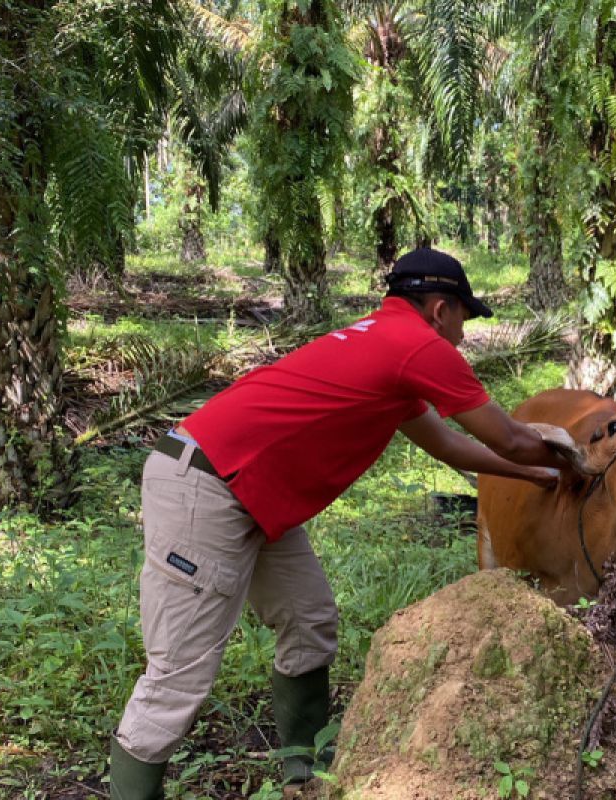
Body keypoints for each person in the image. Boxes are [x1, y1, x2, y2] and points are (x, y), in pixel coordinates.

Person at [109, 248, 585, 799]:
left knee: (309, 623)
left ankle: (303, 774)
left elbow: (451, 446)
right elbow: (507, 435)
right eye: (463, 318)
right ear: (439, 309)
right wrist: (566, 457)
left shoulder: (382, 345)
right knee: (179, 673)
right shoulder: (418, 347)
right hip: (209, 486)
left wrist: (535, 478)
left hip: (251, 491)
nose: (461, 334)